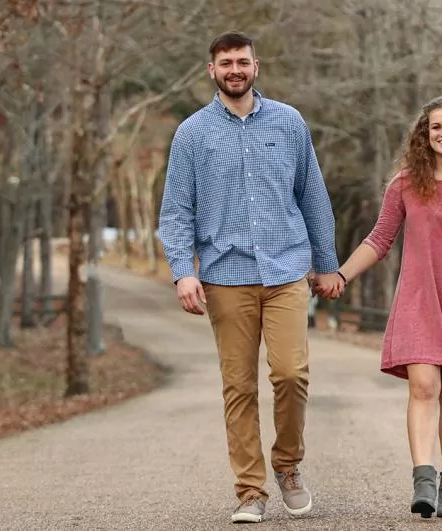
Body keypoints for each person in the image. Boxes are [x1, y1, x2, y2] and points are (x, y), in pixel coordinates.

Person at [158, 30, 344, 524]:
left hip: (286, 270)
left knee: (290, 372)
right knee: (238, 386)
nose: (235, 70)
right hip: (225, 275)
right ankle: (249, 491)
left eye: (242, 61)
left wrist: (326, 263)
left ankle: (288, 465)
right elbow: (175, 212)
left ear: (255, 66)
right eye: (226, 63)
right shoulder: (192, 134)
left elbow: (312, 196)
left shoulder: (288, 122)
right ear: (212, 70)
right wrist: (182, 272)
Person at [316, 95, 442, 519]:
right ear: (424, 134)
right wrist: (341, 275)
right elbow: (379, 239)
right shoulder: (404, 184)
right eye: (435, 127)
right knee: (423, 387)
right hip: (419, 300)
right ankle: (424, 480)